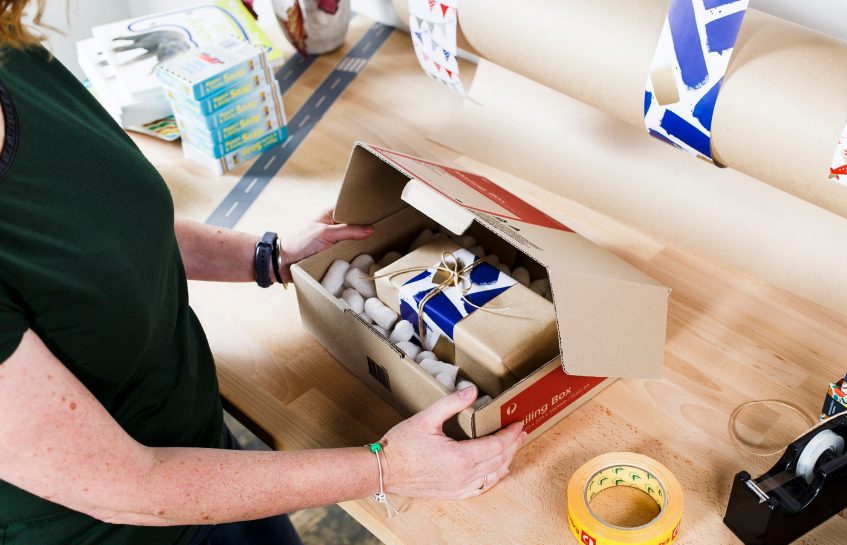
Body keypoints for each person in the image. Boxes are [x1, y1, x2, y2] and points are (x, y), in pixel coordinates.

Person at [0, 3, 526, 544]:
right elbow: (134, 485)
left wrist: (267, 256)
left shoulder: (12, 54)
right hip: (121, 528)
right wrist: (387, 468)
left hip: (208, 455)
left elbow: (103, 229)